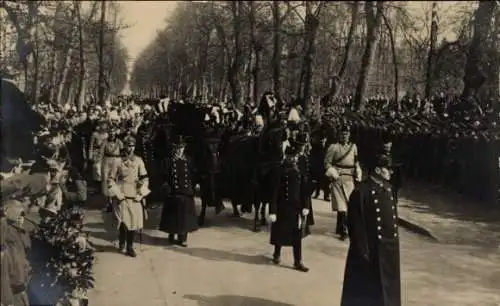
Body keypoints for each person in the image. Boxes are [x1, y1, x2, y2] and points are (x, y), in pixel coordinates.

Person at [340, 154, 401, 306]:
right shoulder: (361, 191)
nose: (391, 172)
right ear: (377, 170)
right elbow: (355, 224)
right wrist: (362, 250)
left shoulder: (389, 189)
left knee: (387, 289)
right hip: (370, 250)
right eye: (388, 168)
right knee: (365, 290)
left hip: (388, 249)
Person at [269, 145, 312, 272]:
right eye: (289, 157)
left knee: (297, 236)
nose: (291, 159)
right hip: (282, 207)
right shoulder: (279, 171)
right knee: (279, 231)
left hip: (296, 208)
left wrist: (306, 206)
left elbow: (305, 191)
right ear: (285, 157)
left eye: (293, 157)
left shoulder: (299, 171)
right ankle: (277, 253)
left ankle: (297, 261)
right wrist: (273, 210)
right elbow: (274, 192)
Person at [108, 135, 149, 257]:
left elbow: (145, 178)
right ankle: (122, 242)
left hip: (134, 194)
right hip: (122, 194)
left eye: (132, 146)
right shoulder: (117, 161)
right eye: (127, 145)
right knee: (123, 220)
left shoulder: (139, 160)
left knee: (133, 222)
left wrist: (141, 193)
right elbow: (110, 179)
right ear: (124, 146)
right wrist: (117, 193)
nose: (130, 148)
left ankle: (130, 246)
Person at [158, 135, 198, 247]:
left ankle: (183, 238)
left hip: (186, 191)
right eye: (177, 148)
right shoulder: (168, 161)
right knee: (173, 215)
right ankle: (172, 233)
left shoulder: (188, 160)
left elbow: (193, 174)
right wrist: (167, 188)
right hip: (173, 191)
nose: (179, 150)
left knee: (185, 216)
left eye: (181, 147)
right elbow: (163, 176)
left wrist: (191, 187)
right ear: (173, 148)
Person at [324, 125, 362, 240]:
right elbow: (327, 163)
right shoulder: (333, 147)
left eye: (346, 134)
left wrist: (358, 171)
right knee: (342, 206)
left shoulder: (353, 147)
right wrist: (332, 172)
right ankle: (344, 230)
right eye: (342, 134)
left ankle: (341, 227)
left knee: (349, 204)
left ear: (349, 135)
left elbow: (356, 162)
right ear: (338, 135)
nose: (344, 136)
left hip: (350, 179)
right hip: (338, 178)